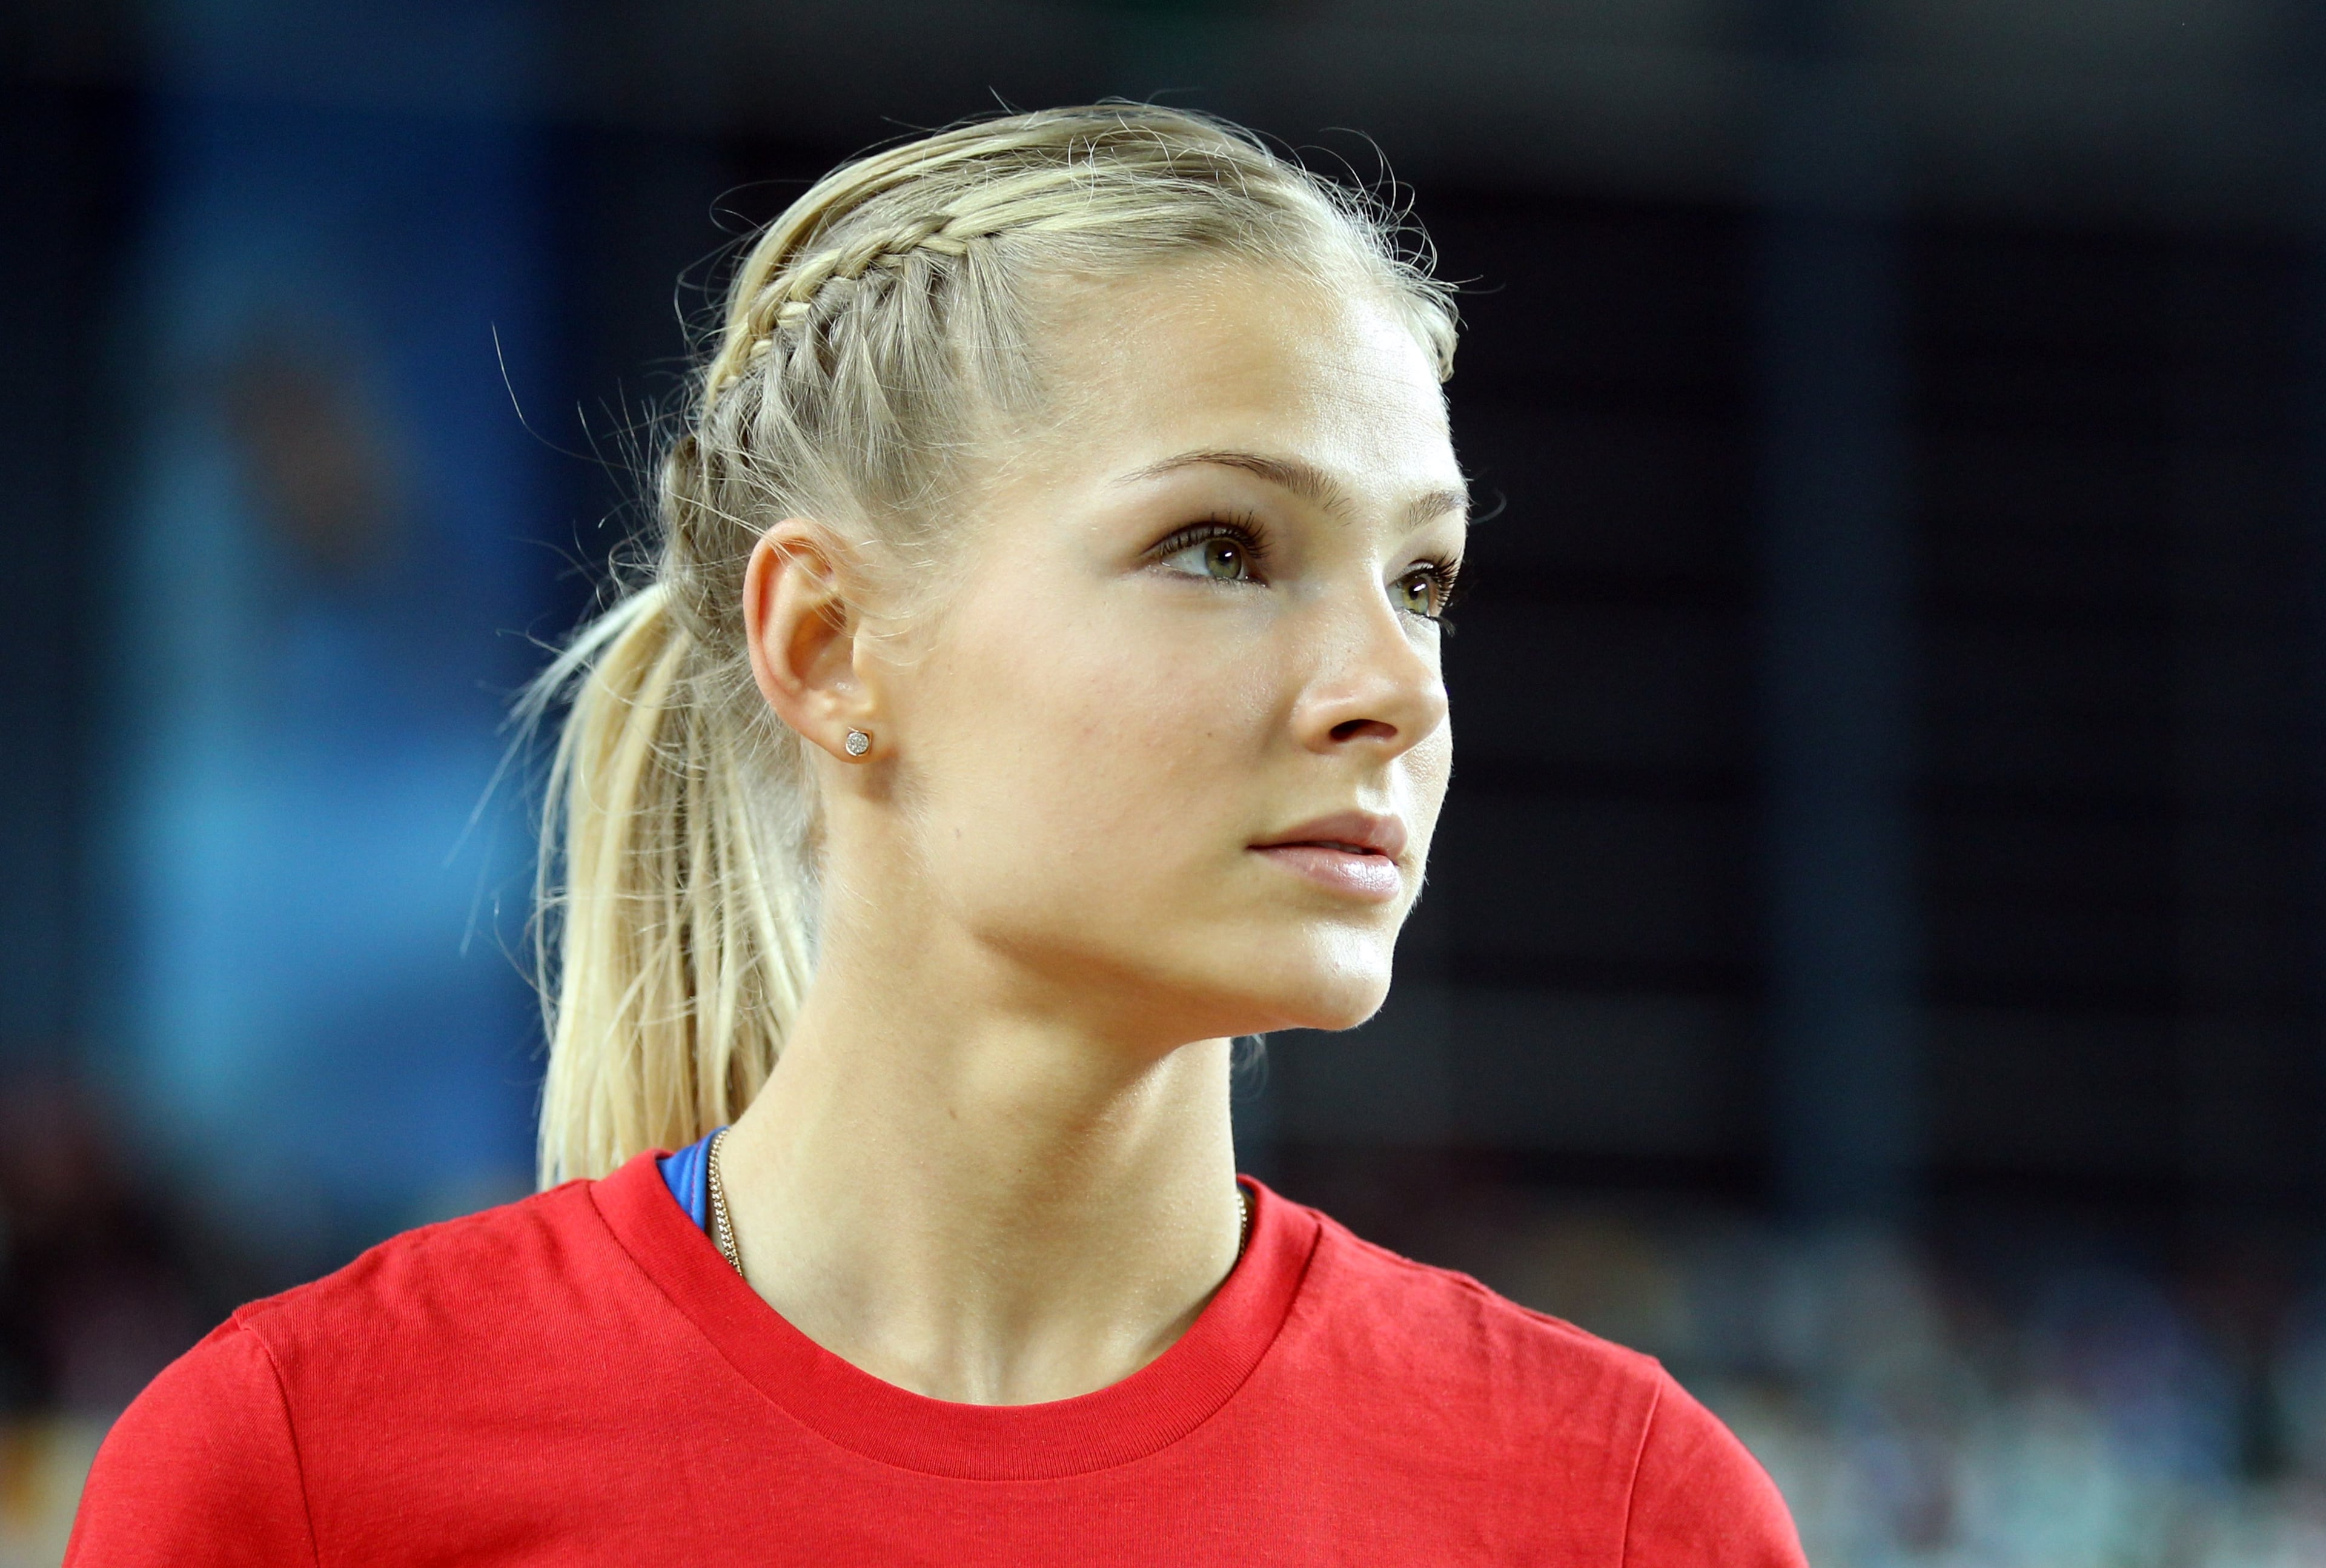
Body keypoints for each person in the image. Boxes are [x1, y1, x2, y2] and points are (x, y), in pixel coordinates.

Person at [66, 105, 1805, 1564]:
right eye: (1223, 545)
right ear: (826, 647)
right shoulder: (301, 1475)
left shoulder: (1618, 1514)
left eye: (1421, 580)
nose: (1392, 689)